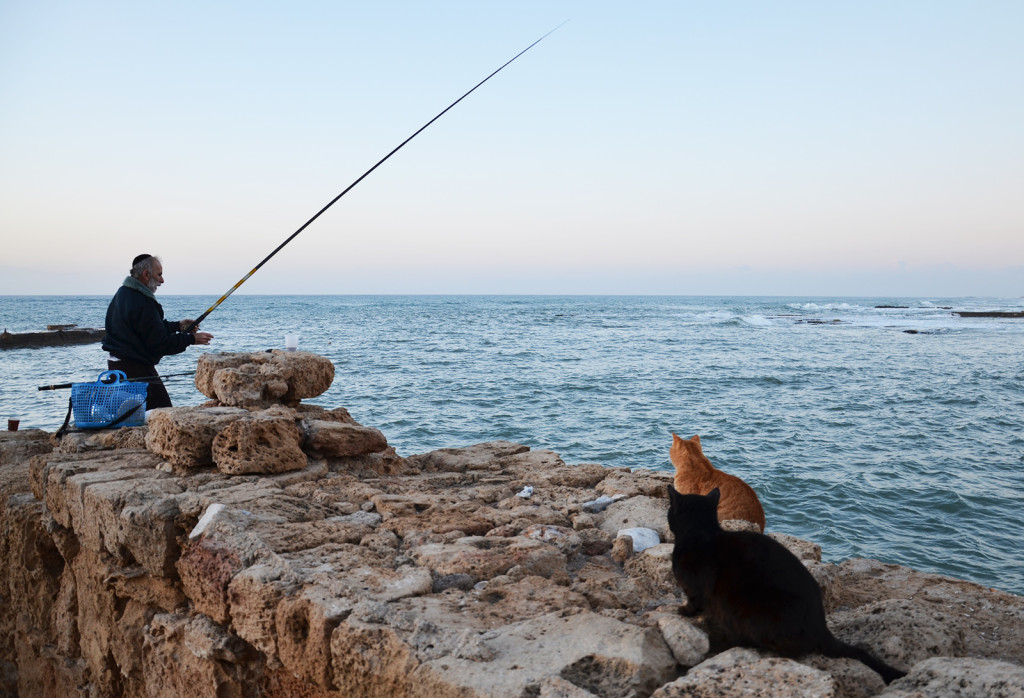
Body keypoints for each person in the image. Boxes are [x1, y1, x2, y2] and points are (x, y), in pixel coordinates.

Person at [102, 254, 213, 408]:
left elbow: (147, 329)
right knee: (163, 412)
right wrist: (192, 339)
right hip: (135, 369)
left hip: (117, 367)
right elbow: (160, 344)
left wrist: (178, 326)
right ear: (146, 274)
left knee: (136, 416)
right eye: (159, 275)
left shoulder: (123, 294)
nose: (162, 280)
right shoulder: (142, 301)